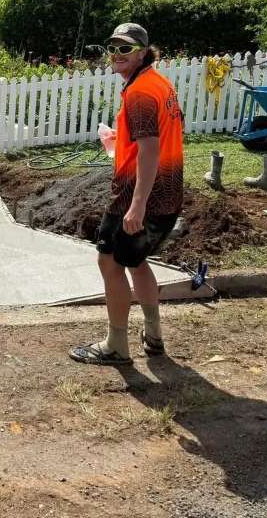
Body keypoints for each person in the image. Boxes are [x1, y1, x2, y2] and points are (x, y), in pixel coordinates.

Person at [70, 23, 184, 366]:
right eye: (113, 48)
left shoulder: (139, 93)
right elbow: (155, 139)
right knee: (136, 260)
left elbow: (150, 151)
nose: (117, 55)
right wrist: (120, 140)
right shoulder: (158, 84)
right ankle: (153, 336)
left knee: (110, 260)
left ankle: (116, 345)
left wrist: (136, 207)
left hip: (138, 197)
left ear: (142, 52)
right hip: (167, 193)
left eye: (126, 49)